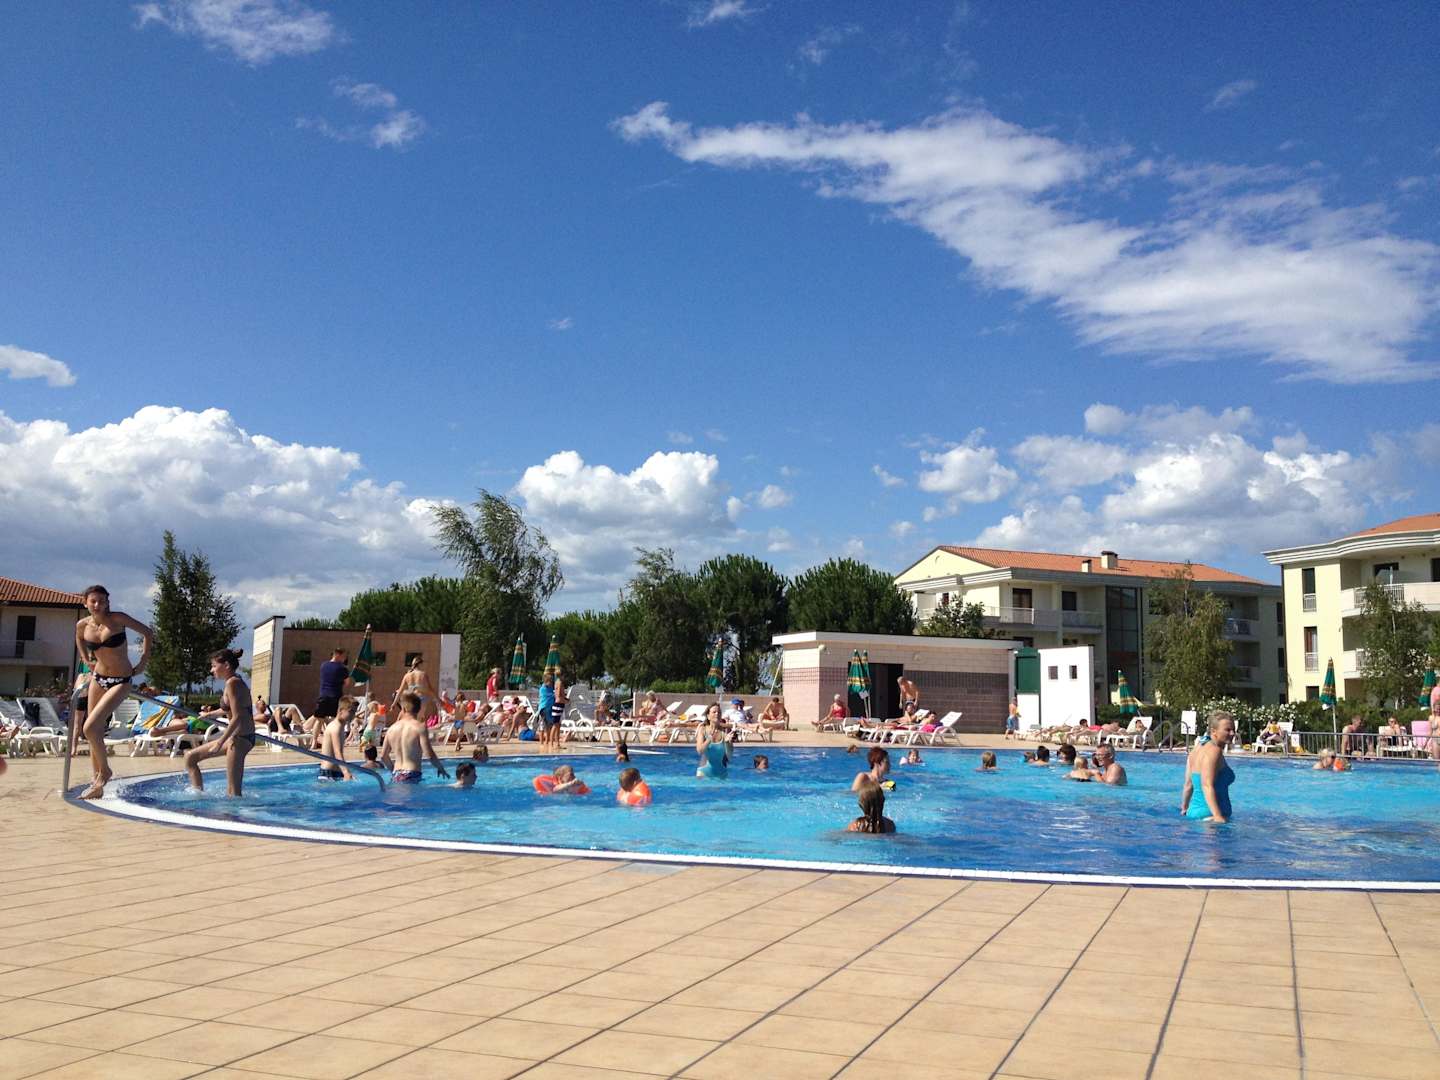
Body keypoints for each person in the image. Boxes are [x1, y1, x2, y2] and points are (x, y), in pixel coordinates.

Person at [74, 585, 154, 799]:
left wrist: (143, 661)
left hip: (121, 680)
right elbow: (79, 639)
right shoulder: (82, 625)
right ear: (85, 603)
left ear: (107, 602)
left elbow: (147, 632)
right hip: (98, 679)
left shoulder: (118, 619)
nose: (97, 605)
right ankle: (96, 783)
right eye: (93, 601)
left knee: (90, 727)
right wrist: (86, 659)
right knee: (94, 732)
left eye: (102, 601)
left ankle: (105, 772)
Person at [184, 649, 256, 797]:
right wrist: (209, 714)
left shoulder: (233, 683)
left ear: (226, 665)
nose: (211, 670)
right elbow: (228, 709)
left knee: (233, 792)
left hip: (241, 739)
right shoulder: (232, 682)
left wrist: (219, 742)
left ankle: (237, 812)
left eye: (214, 666)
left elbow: (238, 717)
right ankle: (197, 797)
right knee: (190, 757)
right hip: (236, 737)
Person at [381, 691, 449, 783]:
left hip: (396, 774)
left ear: (403, 709)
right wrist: (440, 768)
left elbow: (383, 756)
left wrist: (393, 770)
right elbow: (429, 754)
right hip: (412, 774)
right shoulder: (419, 727)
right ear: (419, 709)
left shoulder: (391, 729)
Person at [1181, 710, 1235, 822]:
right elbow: (1207, 785)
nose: (1232, 733)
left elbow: (1188, 785)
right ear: (1214, 731)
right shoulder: (1215, 751)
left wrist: (1184, 808)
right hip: (1210, 817)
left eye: (1233, 730)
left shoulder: (1196, 749)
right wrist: (1217, 816)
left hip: (1193, 813)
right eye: (1227, 730)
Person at [315, 696, 356, 781]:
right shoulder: (335, 728)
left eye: (354, 712)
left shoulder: (340, 727)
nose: (353, 715)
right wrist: (346, 772)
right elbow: (337, 752)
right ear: (341, 710)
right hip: (328, 773)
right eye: (351, 711)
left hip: (336, 772)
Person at [311, 648, 351, 728]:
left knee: (319, 720)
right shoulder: (342, 668)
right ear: (337, 655)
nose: (344, 659)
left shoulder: (323, 665)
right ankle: (332, 735)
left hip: (323, 696)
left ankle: (315, 736)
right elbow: (347, 682)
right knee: (334, 719)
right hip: (335, 697)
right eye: (343, 656)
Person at [394, 656, 440, 724]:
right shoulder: (423, 674)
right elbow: (431, 689)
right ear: (420, 664)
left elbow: (400, 691)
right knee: (418, 720)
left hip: (410, 699)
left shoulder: (407, 675)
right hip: (421, 699)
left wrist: (394, 703)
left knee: (408, 718)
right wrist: (439, 700)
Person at [696, 709, 730, 778]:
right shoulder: (703, 730)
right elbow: (700, 751)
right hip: (704, 771)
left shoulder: (724, 733)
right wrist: (709, 738)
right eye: (714, 712)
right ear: (708, 716)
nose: (717, 713)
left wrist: (728, 743)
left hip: (721, 772)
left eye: (719, 712)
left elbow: (729, 756)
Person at [553, 671, 570, 749]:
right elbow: (559, 694)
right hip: (559, 704)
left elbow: (558, 694)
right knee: (556, 725)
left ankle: (557, 744)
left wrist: (565, 699)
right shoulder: (559, 683)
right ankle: (554, 743)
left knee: (557, 725)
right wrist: (565, 699)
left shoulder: (557, 682)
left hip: (559, 704)